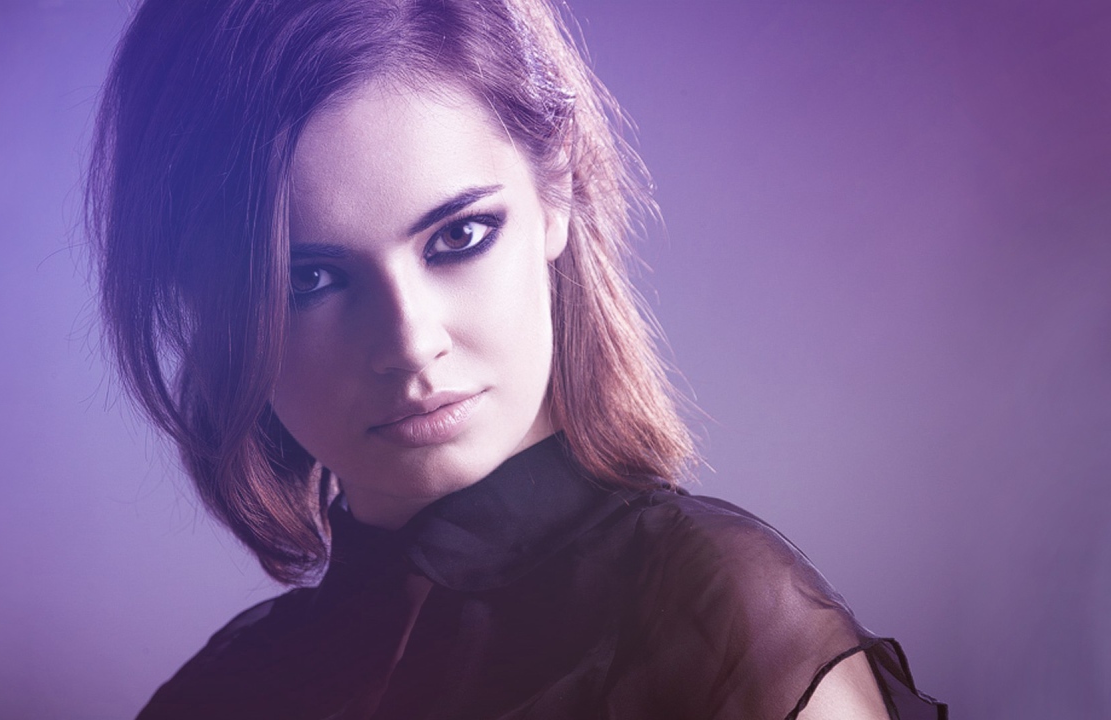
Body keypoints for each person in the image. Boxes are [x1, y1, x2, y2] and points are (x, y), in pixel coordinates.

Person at [87, 0, 947, 717]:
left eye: (459, 236)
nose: (409, 343)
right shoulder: (224, 694)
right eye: (307, 279)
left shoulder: (720, 619)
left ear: (556, 189)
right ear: (208, 305)